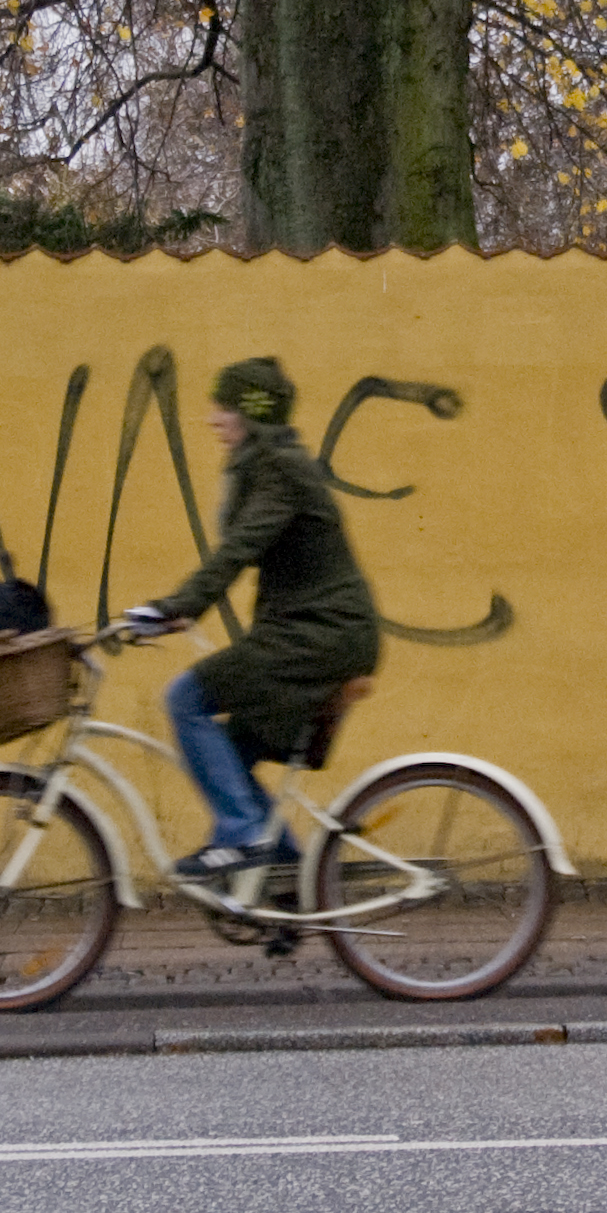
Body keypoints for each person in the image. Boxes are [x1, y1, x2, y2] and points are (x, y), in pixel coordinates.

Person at [126, 358, 384, 896]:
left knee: (185, 698)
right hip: (312, 633)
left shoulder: (279, 469)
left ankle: (244, 837)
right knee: (230, 750)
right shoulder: (267, 465)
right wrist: (172, 611)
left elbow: (238, 551)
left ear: (251, 413)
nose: (212, 418)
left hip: (322, 636)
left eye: (224, 406)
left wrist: (178, 607)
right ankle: (288, 876)